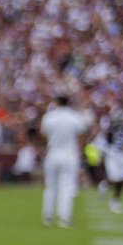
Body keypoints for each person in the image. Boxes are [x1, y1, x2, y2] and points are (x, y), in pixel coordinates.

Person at [38, 93, 90, 228]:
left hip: (53, 152)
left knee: (50, 186)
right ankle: (64, 217)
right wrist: (81, 149)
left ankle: (47, 216)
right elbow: (83, 133)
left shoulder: (50, 117)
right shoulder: (75, 116)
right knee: (66, 186)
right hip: (69, 154)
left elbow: (43, 134)